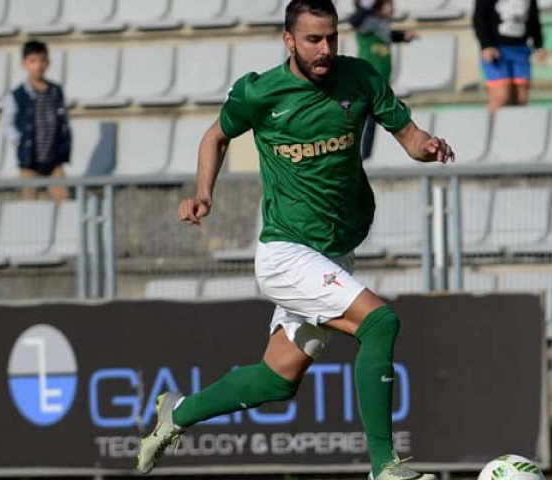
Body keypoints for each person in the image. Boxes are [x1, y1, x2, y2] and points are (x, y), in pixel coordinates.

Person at [136, 1, 455, 479]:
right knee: (380, 324)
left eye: (331, 38)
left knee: (277, 378)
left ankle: (176, 414)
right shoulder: (260, 92)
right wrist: (203, 193)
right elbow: (214, 136)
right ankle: (384, 467)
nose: (325, 49)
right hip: (286, 253)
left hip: (334, 252)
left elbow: (408, 136)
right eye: (313, 40)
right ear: (289, 40)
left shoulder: (361, 78)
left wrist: (428, 148)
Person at [1, 40, 71, 202]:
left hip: (54, 160)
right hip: (29, 162)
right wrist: (19, 141)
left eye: (42, 60)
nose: (38, 65)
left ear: (48, 63)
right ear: (24, 64)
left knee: (64, 200)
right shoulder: (18, 94)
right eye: (33, 61)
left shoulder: (56, 91)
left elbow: (63, 121)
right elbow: (6, 122)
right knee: (29, 207)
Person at [350, 0, 416, 159]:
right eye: (388, 4)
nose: (392, 8)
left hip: (380, 82)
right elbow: (355, 21)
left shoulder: (381, 25)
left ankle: (365, 155)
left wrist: (403, 37)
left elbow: (388, 35)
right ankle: (356, 154)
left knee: (372, 121)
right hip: (367, 80)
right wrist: (367, 5)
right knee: (362, 119)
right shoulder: (368, 23)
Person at [473, 0, 547, 113]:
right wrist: (486, 45)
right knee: (501, 96)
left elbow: (533, 18)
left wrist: (539, 45)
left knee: (521, 98)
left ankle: (515, 129)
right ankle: (491, 128)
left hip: (521, 50)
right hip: (497, 51)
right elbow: (480, 18)